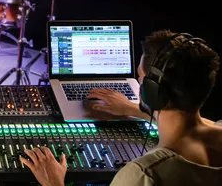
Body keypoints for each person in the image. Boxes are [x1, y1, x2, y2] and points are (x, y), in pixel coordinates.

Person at [19, 30, 222, 186]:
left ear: (153, 92)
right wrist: (131, 108)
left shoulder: (143, 175)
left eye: (140, 78)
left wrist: (55, 183)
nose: (138, 83)